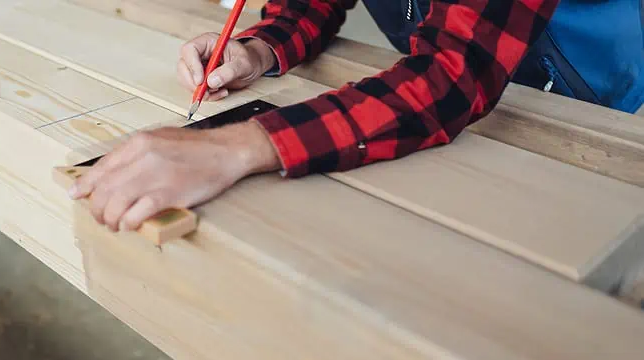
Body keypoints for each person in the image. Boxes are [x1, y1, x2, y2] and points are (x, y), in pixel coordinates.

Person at [67, 0, 644, 232]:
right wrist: (263, 46)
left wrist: (233, 147)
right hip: (440, 75)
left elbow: (451, 78)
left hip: (567, 95)